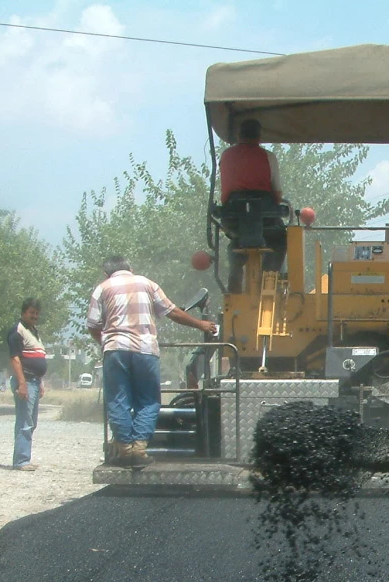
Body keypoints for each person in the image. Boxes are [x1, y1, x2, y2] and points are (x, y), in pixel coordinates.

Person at [86, 256, 217, 468]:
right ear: (130, 268)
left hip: (115, 351)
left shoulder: (102, 288)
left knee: (117, 400)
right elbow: (172, 312)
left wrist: (107, 342)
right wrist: (200, 324)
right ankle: (139, 449)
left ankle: (125, 450)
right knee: (148, 401)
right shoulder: (147, 284)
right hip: (145, 350)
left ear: (106, 273)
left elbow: (93, 325)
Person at [219, 118, 286, 293]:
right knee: (280, 239)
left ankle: (234, 280)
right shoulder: (268, 157)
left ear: (239, 135)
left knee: (237, 241)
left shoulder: (226, 156)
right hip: (264, 220)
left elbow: (224, 190)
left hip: (233, 218)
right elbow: (277, 195)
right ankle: (269, 278)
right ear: (259, 137)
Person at [5, 298, 46, 470]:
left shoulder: (34, 331)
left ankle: (25, 458)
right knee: (25, 421)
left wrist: (40, 381)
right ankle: (21, 461)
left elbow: (37, 357)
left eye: (36, 313)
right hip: (26, 381)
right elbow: (15, 359)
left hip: (34, 381)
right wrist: (22, 383)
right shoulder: (17, 331)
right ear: (23, 313)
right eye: (31, 313)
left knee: (32, 422)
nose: (34, 316)